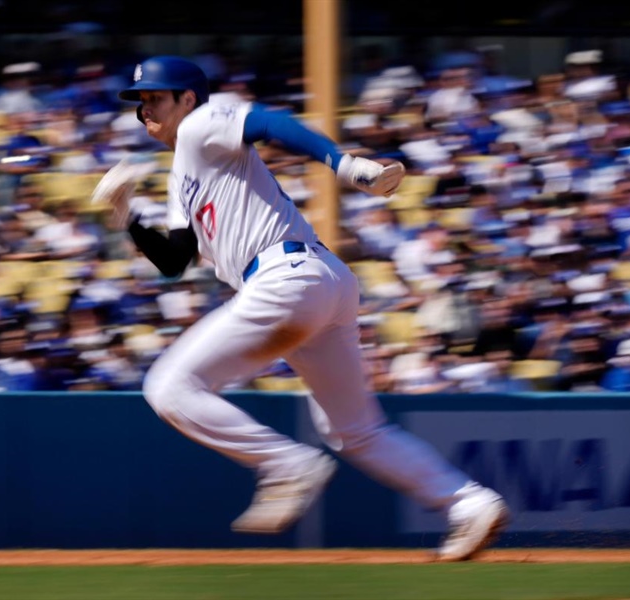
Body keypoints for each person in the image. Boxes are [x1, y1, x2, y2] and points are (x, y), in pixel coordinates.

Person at [103, 55, 508, 561]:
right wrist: (129, 218)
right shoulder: (184, 174)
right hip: (319, 282)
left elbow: (269, 124)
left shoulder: (201, 123)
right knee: (355, 430)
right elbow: (175, 261)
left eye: (155, 99)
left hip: (283, 279)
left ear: (187, 99)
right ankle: (470, 505)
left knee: (168, 387)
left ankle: (285, 465)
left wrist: (340, 162)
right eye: (141, 104)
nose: (146, 112)